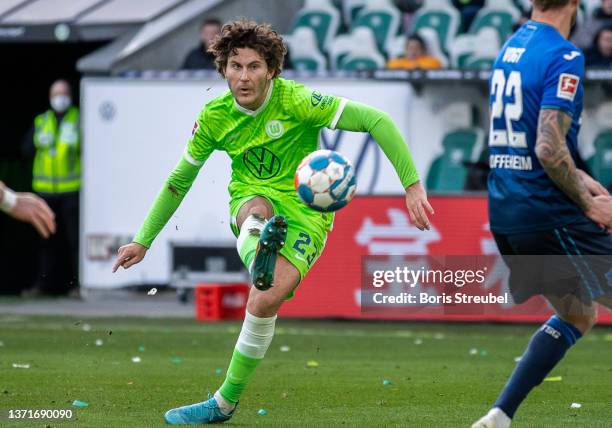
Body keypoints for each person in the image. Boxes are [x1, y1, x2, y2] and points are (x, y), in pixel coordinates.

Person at [112, 19, 433, 425]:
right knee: (255, 210)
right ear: (222, 69)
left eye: (254, 67)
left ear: (272, 70)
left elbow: (377, 121)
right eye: (235, 66)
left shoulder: (297, 100)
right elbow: (179, 181)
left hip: (307, 210)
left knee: (264, 299)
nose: (243, 77)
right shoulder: (214, 116)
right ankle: (259, 242)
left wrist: (412, 185)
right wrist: (143, 239)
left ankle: (224, 404)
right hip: (251, 196)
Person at [472, 0, 612, 427]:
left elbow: (530, 142)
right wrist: (588, 203)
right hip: (547, 212)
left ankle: (500, 414)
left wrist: (583, 180)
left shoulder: (510, 47)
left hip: (506, 211)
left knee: (577, 314)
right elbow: (548, 148)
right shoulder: (564, 54)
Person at [22, 79, 81, 296]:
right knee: (45, 239)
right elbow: (26, 149)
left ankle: (77, 286)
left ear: (70, 96)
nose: (60, 98)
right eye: (56, 94)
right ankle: (42, 285)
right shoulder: (41, 121)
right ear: (50, 98)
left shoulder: (78, 120)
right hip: (45, 191)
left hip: (71, 190)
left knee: (73, 240)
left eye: (64, 93)